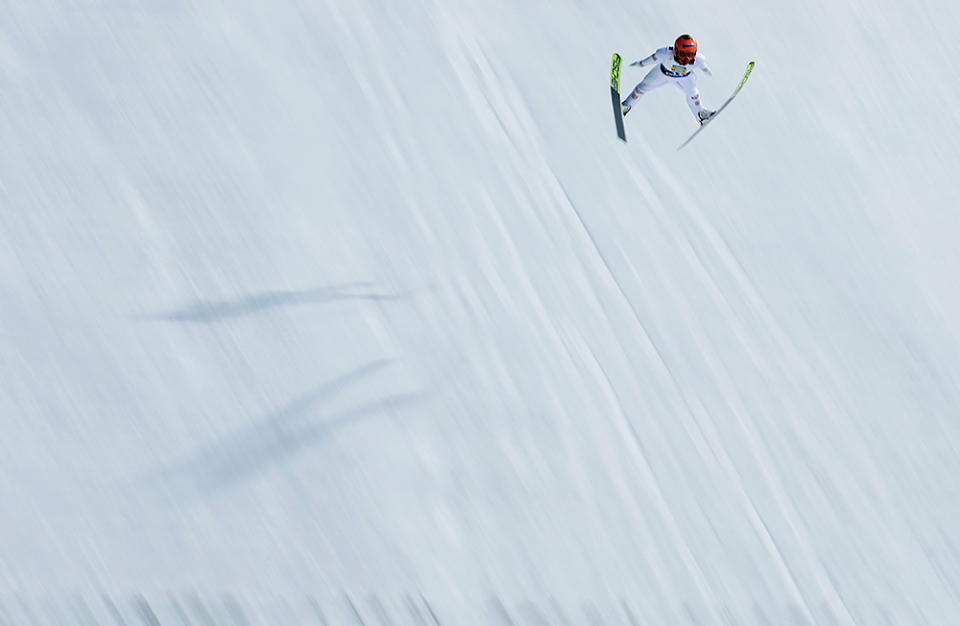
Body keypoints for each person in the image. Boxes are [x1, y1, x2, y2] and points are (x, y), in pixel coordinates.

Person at [622, 35, 716, 125]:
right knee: (642, 87)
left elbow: (705, 68)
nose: (687, 59)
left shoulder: (699, 59)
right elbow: (651, 60)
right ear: (675, 51)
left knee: (694, 94)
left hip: (684, 78)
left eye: (690, 55)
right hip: (662, 73)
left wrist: (710, 73)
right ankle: (626, 106)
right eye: (683, 54)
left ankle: (700, 114)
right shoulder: (664, 53)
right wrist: (641, 63)